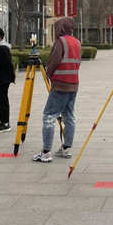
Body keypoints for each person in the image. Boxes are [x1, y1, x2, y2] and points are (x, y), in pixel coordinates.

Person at [32, 17, 80, 163]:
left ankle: (46, 152)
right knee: (69, 118)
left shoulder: (61, 42)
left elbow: (53, 62)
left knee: (49, 117)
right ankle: (66, 148)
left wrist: (49, 75)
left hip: (60, 85)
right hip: (73, 84)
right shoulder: (76, 42)